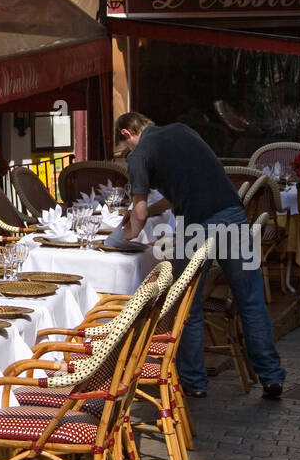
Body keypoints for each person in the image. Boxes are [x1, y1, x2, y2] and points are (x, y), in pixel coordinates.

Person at [115, 111, 285, 400]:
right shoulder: (182, 127)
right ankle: (271, 378)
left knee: (187, 305)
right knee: (251, 300)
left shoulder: (138, 155)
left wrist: (125, 235)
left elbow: (140, 213)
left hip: (196, 225)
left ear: (126, 134)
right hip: (232, 214)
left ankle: (194, 382)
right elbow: (177, 194)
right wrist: (144, 213)